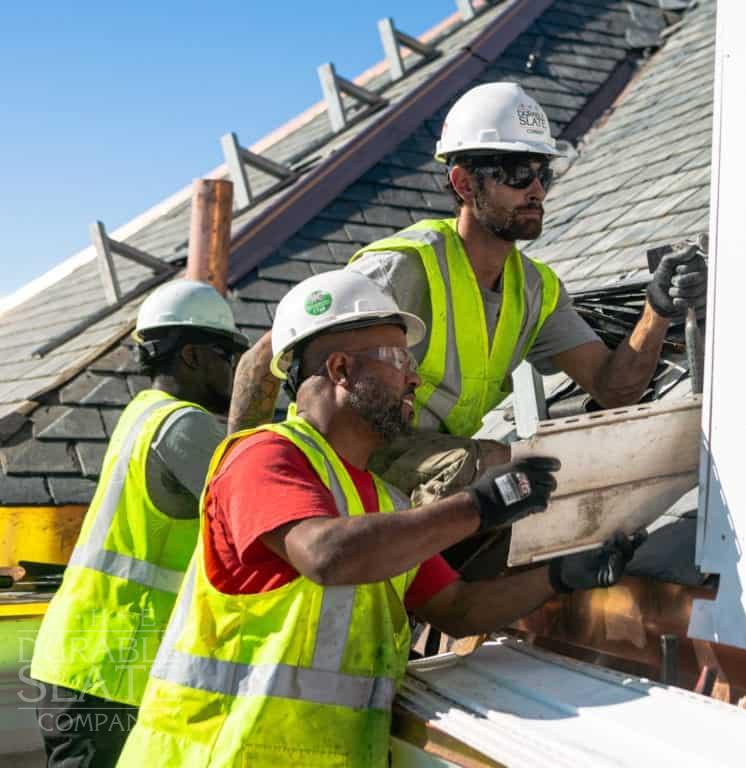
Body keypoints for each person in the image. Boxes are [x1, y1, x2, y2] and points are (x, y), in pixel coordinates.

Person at [117, 270, 643, 767]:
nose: (414, 378)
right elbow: (325, 554)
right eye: (397, 358)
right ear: (341, 370)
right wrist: (478, 506)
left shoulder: (384, 503)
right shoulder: (262, 456)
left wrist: (561, 575)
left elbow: (458, 608)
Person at [228, 81, 705, 573]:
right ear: (462, 183)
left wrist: (656, 309)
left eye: (543, 172)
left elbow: (615, 388)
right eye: (518, 173)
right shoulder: (403, 268)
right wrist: (240, 477)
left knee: (543, 474)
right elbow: (263, 356)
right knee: (500, 471)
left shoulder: (535, 289)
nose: (537, 189)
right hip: (353, 454)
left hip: (429, 463)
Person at [29, 279, 250, 767]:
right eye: (225, 355)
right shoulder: (184, 426)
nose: (233, 370)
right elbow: (254, 518)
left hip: (85, 663)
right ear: (191, 356)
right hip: (108, 673)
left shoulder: (141, 413)